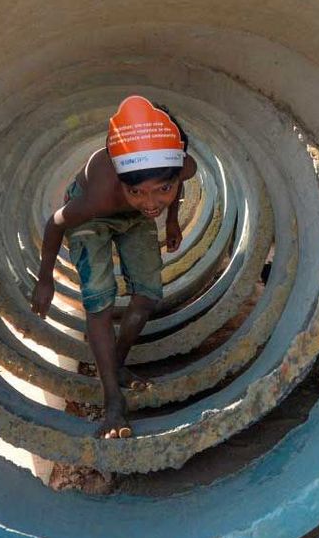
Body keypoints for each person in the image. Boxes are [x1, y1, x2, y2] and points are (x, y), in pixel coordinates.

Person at [30, 96, 197, 439]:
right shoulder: (101, 194)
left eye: (162, 189)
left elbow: (175, 188)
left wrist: (173, 221)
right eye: (137, 190)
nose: (152, 202)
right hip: (92, 217)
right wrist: (45, 278)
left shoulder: (182, 168)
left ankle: (115, 364)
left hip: (130, 218)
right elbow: (56, 223)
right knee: (99, 301)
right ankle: (112, 402)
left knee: (148, 295)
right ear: (122, 180)